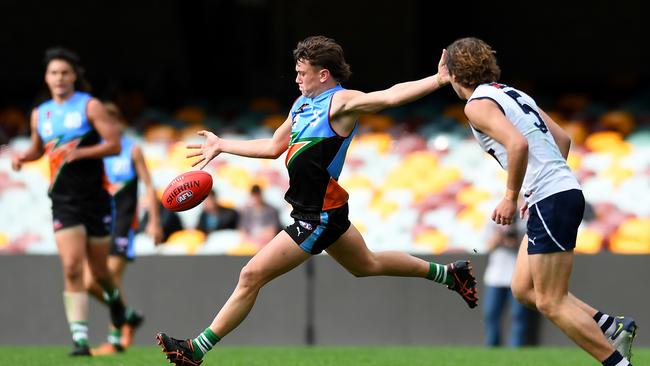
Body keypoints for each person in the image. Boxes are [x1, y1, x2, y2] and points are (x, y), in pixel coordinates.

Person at [155, 35, 477, 366]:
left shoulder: (341, 102)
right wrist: (223, 145)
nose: (296, 79)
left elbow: (391, 96)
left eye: (302, 72)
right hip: (319, 210)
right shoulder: (301, 106)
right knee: (367, 264)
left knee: (251, 275)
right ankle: (450, 274)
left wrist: (438, 79)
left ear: (323, 74)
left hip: (318, 215)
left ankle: (196, 349)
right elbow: (272, 147)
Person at [443, 37, 636, 365]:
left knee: (550, 301)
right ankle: (612, 325)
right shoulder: (510, 92)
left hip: (551, 197)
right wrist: (538, 186)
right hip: (557, 193)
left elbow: (517, 145)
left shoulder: (476, 104)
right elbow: (563, 138)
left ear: (453, 73)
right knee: (523, 289)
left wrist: (510, 196)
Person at [10, 47, 129, 356]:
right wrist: (25, 157)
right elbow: (39, 149)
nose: (59, 78)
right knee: (73, 266)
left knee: (100, 272)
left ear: (74, 75)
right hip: (63, 199)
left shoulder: (90, 107)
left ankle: (116, 304)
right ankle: (80, 339)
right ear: (46, 78)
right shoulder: (41, 113)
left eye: (65, 72)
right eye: (54, 73)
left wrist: (82, 153)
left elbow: (115, 145)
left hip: (95, 199)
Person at [85, 102, 164, 355]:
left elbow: (149, 186)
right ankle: (128, 315)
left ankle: (115, 339)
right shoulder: (97, 152)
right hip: (98, 224)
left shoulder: (132, 150)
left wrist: (154, 221)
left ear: (118, 123)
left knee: (111, 281)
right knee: (89, 282)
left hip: (122, 226)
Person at [482, 214, 535, 347]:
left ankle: (515, 350)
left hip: (517, 275)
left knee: (518, 316)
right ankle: (492, 347)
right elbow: (486, 247)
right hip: (495, 277)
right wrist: (500, 235)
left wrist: (515, 240)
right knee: (491, 314)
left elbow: (530, 248)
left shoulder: (524, 223)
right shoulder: (493, 223)